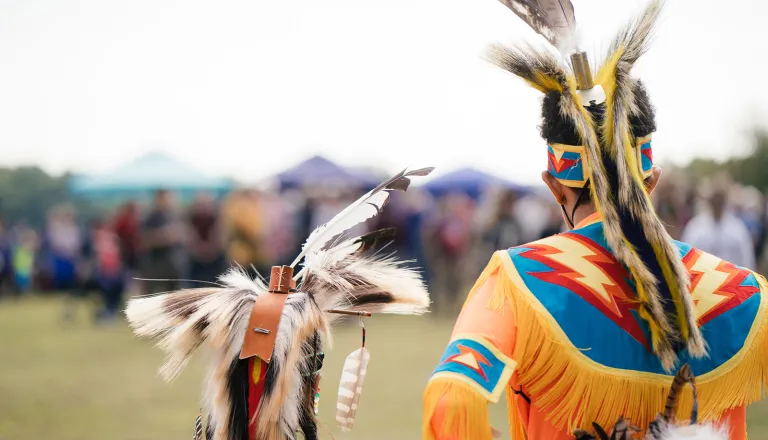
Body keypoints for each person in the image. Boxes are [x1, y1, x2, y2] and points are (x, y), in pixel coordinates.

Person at [423, 2, 765, 439]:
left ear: (554, 186)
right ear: (652, 180)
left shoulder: (518, 281)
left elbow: (453, 398)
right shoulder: (744, 293)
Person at [681, 175, 755, 270]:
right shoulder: (695, 227)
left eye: (719, 199)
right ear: (709, 201)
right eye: (715, 200)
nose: (717, 203)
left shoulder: (737, 228)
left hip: (732, 276)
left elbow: (747, 258)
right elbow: (687, 256)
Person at [139, 189, 184, 294]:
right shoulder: (150, 217)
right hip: (154, 264)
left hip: (173, 263)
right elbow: (144, 239)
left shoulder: (175, 216)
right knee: (151, 295)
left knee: (173, 296)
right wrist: (163, 236)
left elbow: (183, 234)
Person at [187, 192, 225, 284]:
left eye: (205, 205)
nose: (203, 208)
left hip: (215, 262)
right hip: (196, 262)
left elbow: (220, 239)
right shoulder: (192, 220)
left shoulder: (216, 220)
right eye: (200, 205)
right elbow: (190, 238)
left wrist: (210, 249)